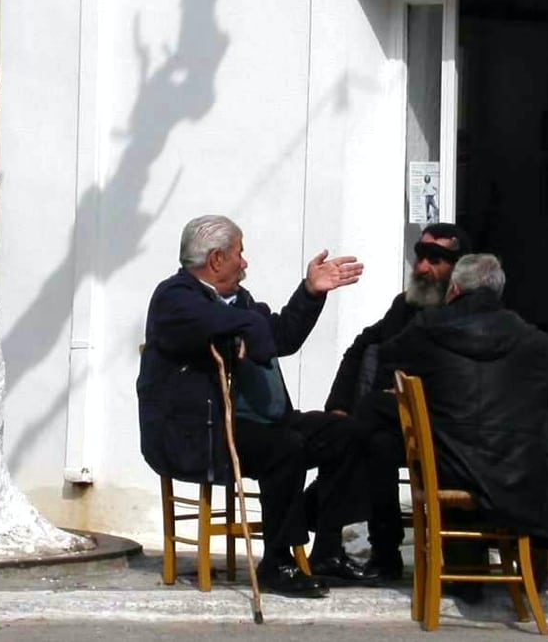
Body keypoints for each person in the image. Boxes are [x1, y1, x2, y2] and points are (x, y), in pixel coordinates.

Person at [138, 214, 379, 598]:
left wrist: (311, 292)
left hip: (258, 423)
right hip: (205, 431)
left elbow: (280, 337)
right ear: (217, 259)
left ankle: (327, 549)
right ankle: (278, 561)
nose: (245, 262)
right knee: (286, 448)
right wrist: (250, 333)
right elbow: (233, 327)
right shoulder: (175, 298)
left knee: (346, 434)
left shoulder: (239, 301)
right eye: (239, 253)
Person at [379, 253, 548, 556]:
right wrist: (541, 422)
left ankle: (406, 558)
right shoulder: (528, 337)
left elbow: (386, 357)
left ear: (454, 290)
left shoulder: (428, 328)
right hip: (516, 474)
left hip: (449, 467)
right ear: (497, 293)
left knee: (378, 431)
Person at [323, 223, 470, 578]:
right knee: (373, 443)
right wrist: (339, 405)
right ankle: (385, 554)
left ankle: (315, 517)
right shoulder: (405, 306)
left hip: (452, 428)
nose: (423, 268)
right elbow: (363, 346)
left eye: (436, 260)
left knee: (361, 421)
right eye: (420, 256)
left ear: (458, 267)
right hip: (403, 421)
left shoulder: (470, 309)